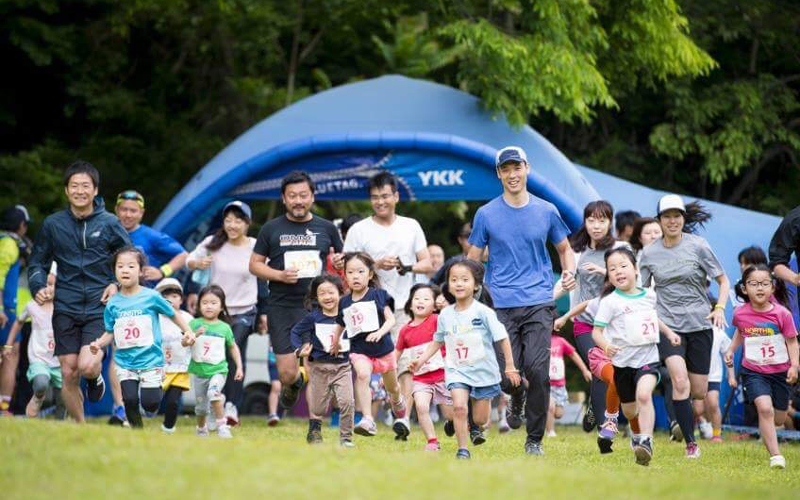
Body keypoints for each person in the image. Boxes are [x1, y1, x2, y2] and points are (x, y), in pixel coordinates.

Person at [466, 146, 576, 456]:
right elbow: (472, 260)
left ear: (527, 168)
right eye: (506, 169)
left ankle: (534, 439)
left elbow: (565, 248)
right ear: (499, 174)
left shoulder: (547, 210)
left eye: (517, 168)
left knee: (538, 371)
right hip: (500, 303)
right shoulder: (486, 214)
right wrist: (468, 296)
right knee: (506, 377)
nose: (512, 174)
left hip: (539, 299)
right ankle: (516, 396)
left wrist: (568, 272)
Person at [27, 161, 131, 423]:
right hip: (65, 306)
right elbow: (37, 262)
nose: (80, 191)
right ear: (66, 191)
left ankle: (94, 376)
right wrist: (39, 286)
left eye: (86, 186)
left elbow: (129, 257)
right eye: (74, 186)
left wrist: (115, 283)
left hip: (99, 306)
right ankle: (81, 427)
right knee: (68, 371)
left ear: (95, 190)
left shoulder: (109, 223)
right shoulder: (53, 224)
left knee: (85, 366)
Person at [639, 194, 730, 459]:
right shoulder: (649, 253)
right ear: (659, 220)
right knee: (679, 382)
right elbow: (642, 293)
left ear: (683, 218)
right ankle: (691, 443)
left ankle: (685, 416)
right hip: (668, 326)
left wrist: (719, 308)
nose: (672, 221)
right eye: (666, 216)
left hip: (700, 324)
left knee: (698, 391)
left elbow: (723, 281)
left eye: (676, 216)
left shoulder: (699, 246)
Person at [343, 171, 432, 438]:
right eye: (374, 197)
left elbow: (427, 263)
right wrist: (374, 264)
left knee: (404, 362)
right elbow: (347, 265)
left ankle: (400, 417)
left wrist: (405, 267)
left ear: (395, 196)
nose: (380, 201)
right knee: (365, 365)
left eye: (385, 196)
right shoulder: (359, 230)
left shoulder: (411, 225)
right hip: (367, 309)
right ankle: (369, 417)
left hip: (404, 307)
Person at [249, 171, 344, 414]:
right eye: (292, 196)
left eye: (303, 195)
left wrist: (341, 264)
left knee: (315, 365)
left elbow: (341, 260)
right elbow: (254, 265)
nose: (298, 201)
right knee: (287, 372)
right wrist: (279, 275)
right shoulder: (271, 229)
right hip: (280, 306)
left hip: (315, 307)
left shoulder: (326, 228)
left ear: (312, 197)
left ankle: (316, 426)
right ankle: (293, 384)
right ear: (284, 198)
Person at [410, 259, 520, 459]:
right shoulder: (445, 314)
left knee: (479, 419)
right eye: (454, 280)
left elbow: (503, 338)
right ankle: (463, 449)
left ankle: (472, 426)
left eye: (464, 279)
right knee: (459, 407)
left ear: (476, 284)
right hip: (456, 369)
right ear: (448, 285)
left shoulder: (484, 312)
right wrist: (421, 360)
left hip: (483, 371)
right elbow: (438, 340)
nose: (459, 284)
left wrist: (510, 366)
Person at [592, 247, 682, 466]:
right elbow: (596, 332)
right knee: (630, 409)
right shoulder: (609, 302)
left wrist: (669, 333)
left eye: (623, 266)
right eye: (612, 269)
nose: (618, 271)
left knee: (644, 395)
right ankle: (636, 436)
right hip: (622, 365)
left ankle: (646, 441)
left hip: (647, 361)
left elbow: (653, 318)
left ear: (635, 269)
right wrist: (606, 346)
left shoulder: (649, 295)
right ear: (609, 276)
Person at [89, 247, 194, 428]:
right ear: (115, 271)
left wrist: (188, 331)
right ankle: (137, 431)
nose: (125, 270)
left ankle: (150, 400)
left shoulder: (151, 296)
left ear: (140, 271)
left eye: (130, 266)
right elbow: (110, 331)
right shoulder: (113, 303)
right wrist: (98, 343)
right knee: (129, 399)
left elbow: (173, 314)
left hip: (151, 360)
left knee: (150, 404)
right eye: (120, 266)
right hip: (125, 361)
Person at [188, 200, 258, 426]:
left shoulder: (255, 247)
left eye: (238, 220)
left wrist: (264, 313)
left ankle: (230, 406)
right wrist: (198, 264)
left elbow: (266, 276)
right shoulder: (213, 242)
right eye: (228, 220)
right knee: (217, 356)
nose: (232, 225)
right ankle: (217, 402)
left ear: (247, 223)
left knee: (231, 350)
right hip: (216, 314)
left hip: (245, 311)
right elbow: (189, 260)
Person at [725, 264, 799, 469]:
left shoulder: (782, 314)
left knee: (779, 417)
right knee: (764, 409)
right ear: (744, 288)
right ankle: (776, 456)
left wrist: (794, 366)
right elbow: (742, 331)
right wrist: (731, 349)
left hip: (780, 372)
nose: (759, 288)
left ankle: (770, 429)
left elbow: (792, 341)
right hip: (754, 371)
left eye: (765, 283)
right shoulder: (740, 313)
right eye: (754, 284)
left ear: (773, 287)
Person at [565, 200, 628, 438]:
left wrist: (606, 272)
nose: (596, 225)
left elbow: (632, 278)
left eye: (602, 220)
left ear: (610, 222)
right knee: (600, 366)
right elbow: (567, 282)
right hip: (585, 322)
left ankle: (595, 407)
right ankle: (605, 428)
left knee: (609, 373)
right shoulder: (576, 250)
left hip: (614, 322)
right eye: (591, 220)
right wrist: (550, 300)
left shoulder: (621, 249)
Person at [329, 252, 406, 437]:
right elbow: (340, 323)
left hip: (383, 350)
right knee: (362, 375)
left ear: (370, 274)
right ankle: (367, 419)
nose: (355, 276)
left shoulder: (378, 295)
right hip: (359, 350)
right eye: (350, 272)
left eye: (360, 271)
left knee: (392, 388)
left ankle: (397, 401)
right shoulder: (344, 302)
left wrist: (379, 333)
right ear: (345, 275)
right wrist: (335, 342)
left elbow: (390, 320)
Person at [554, 296, 643, 452]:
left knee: (630, 399)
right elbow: (586, 305)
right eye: (613, 270)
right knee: (615, 378)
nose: (618, 273)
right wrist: (565, 317)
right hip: (601, 354)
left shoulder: (640, 299)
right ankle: (609, 422)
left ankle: (637, 436)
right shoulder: (605, 300)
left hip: (630, 353)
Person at [291, 274, 355, 446]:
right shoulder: (313, 317)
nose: (327, 297)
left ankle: (346, 439)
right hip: (319, 368)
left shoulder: (348, 316)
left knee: (347, 402)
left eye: (331, 292)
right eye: (322, 294)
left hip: (342, 367)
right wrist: (299, 349)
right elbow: (295, 332)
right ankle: (315, 427)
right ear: (316, 298)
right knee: (318, 409)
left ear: (341, 294)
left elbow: (359, 334)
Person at [395, 283, 455, 451]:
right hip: (421, 377)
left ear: (434, 304)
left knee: (450, 413)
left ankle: (452, 422)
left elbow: (452, 317)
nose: (420, 301)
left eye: (426, 298)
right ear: (410, 303)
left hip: (443, 375)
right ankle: (432, 441)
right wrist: (389, 371)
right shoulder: (405, 330)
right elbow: (397, 353)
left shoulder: (437, 320)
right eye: (416, 298)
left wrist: (447, 305)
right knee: (421, 406)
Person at [2, 265, 59, 417]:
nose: (48, 289)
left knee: (63, 399)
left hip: (60, 361)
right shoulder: (32, 306)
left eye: (52, 285)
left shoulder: (64, 308)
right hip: (38, 358)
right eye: (44, 285)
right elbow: (18, 322)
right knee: (40, 382)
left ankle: (62, 418)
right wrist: (8, 344)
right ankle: (32, 400)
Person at [189, 285, 244, 439]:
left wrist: (239, 367)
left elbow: (233, 347)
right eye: (205, 302)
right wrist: (194, 335)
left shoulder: (225, 328)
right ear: (199, 305)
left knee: (213, 393)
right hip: (200, 372)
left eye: (213, 303)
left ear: (221, 307)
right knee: (201, 408)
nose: (209, 306)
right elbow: (184, 343)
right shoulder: (194, 324)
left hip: (218, 371)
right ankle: (201, 428)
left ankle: (222, 426)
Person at [115, 190, 188, 285]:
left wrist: (162, 272)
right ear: (117, 210)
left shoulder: (151, 236)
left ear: (141, 212)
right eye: (124, 209)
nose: (128, 215)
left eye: (133, 211)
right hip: (113, 295)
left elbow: (183, 255)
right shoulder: (106, 234)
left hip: (145, 296)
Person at [155, 277, 195, 433]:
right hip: (158, 367)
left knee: (173, 401)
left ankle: (168, 428)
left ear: (181, 299)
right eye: (165, 297)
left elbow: (195, 338)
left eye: (174, 296)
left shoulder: (188, 319)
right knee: (151, 401)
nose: (170, 300)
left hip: (180, 368)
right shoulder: (155, 318)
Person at [0, 205, 29, 413]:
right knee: (10, 356)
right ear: (21, 225)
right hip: (6, 310)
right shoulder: (10, 244)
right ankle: (3, 408)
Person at [694, 327, 735, 442]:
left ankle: (716, 435)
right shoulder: (693, 328)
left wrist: (731, 375)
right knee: (698, 409)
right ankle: (701, 422)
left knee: (713, 403)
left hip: (713, 375)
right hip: (696, 374)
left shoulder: (718, 332)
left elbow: (728, 353)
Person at [546, 333, 591, 438]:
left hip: (559, 384)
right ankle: (550, 432)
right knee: (550, 406)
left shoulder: (560, 341)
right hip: (545, 383)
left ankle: (544, 417)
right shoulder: (540, 340)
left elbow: (573, 354)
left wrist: (585, 370)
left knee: (558, 414)